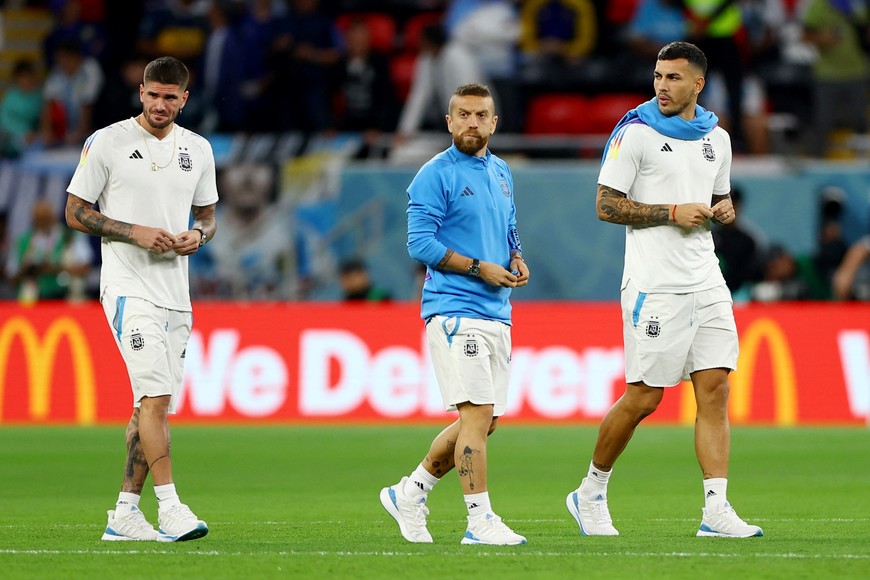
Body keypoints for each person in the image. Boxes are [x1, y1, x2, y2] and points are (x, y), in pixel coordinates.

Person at [566, 42, 763, 538]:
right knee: (644, 398)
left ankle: (715, 510)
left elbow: (718, 197)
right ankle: (589, 491)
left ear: (698, 84)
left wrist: (724, 211)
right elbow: (605, 206)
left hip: (707, 279)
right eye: (657, 76)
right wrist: (669, 213)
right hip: (654, 286)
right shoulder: (636, 135)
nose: (661, 86)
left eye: (674, 78)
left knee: (715, 390)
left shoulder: (718, 137)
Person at [64, 56, 217, 542]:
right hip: (128, 288)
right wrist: (134, 232)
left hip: (176, 293)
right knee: (154, 398)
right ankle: (171, 508)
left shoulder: (199, 149)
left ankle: (124, 514)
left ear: (184, 99)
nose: (160, 104)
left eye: (170, 97)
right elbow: (75, 211)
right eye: (153, 94)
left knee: (149, 407)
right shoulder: (106, 142)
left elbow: (209, 215)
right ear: (141, 92)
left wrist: (198, 234)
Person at [380, 83, 530, 546]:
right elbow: (419, 244)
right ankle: (479, 521)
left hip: (496, 310)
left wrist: (516, 257)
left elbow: (507, 226)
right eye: (462, 114)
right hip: (453, 309)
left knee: (486, 422)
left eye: (481, 115)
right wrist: (477, 267)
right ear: (448, 122)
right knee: (477, 414)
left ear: (493, 121)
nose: (472, 122)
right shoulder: (434, 173)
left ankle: (410, 492)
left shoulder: (502, 170)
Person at [6, 198, 93, 303]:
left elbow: (85, 268)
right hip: (32, 301)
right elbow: (11, 278)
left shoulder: (70, 237)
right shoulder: (22, 242)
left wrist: (54, 268)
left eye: (46, 218)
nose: (43, 223)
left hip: (65, 299)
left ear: (53, 217)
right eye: (39, 219)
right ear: (33, 219)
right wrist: (26, 270)